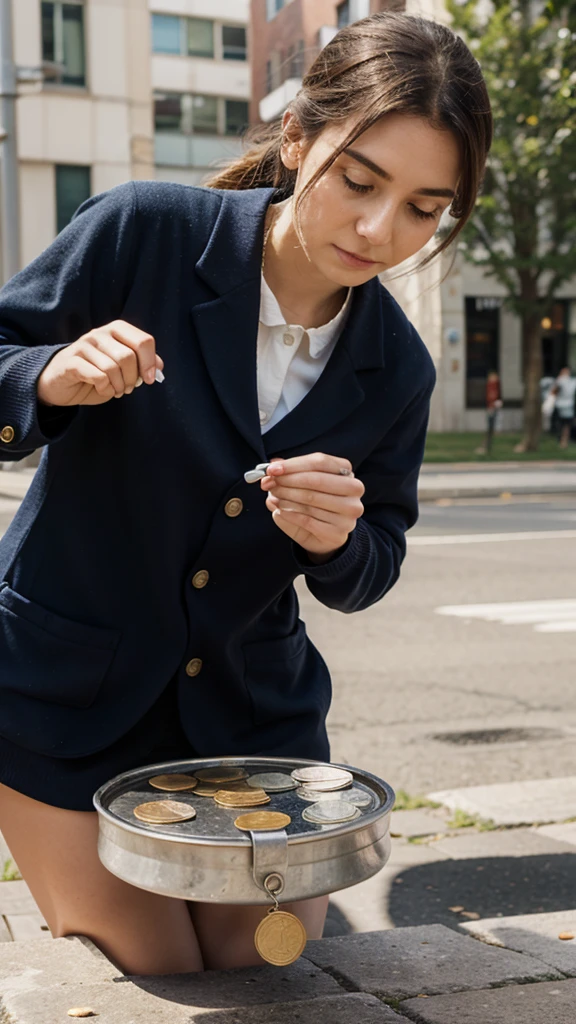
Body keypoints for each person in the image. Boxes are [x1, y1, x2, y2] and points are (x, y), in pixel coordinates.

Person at [0, 13, 492, 975]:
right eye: (360, 181)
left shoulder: (396, 368)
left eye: (424, 208)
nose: (378, 231)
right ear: (300, 136)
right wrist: (51, 374)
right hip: (62, 700)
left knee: (262, 972)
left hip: (252, 723)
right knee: (164, 971)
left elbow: (371, 565)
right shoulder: (142, 233)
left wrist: (337, 540)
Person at [553, 367, 576, 449]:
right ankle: (564, 441)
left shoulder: (560, 380)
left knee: (564, 424)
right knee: (566, 425)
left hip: (562, 405)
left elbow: (553, 392)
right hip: (566, 405)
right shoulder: (572, 381)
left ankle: (563, 441)